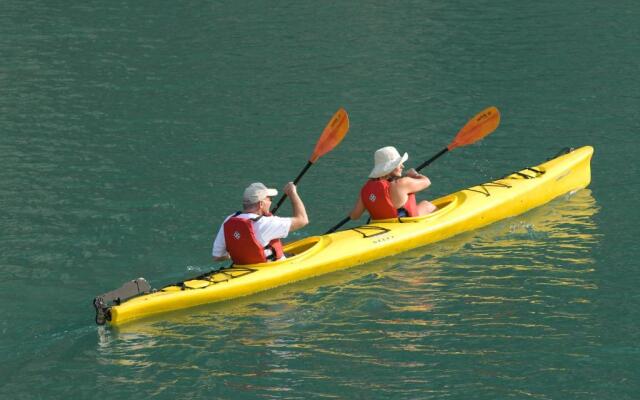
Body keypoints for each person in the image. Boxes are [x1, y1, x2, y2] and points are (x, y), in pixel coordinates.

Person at [212, 182, 308, 265]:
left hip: (241, 268)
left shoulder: (229, 220)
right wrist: (292, 193)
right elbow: (303, 220)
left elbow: (217, 256)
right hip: (271, 268)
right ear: (261, 204)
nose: (271, 202)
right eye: (269, 199)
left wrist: (243, 253)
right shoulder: (266, 223)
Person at [349, 146, 436, 221]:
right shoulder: (402, 183)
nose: (403, 166)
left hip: (380, 226)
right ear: (389, 168)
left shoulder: (366, 189)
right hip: (403, 226)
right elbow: (427, 182)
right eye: (399, 163)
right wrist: (415, 174)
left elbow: (354, 216)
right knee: (427, 205)